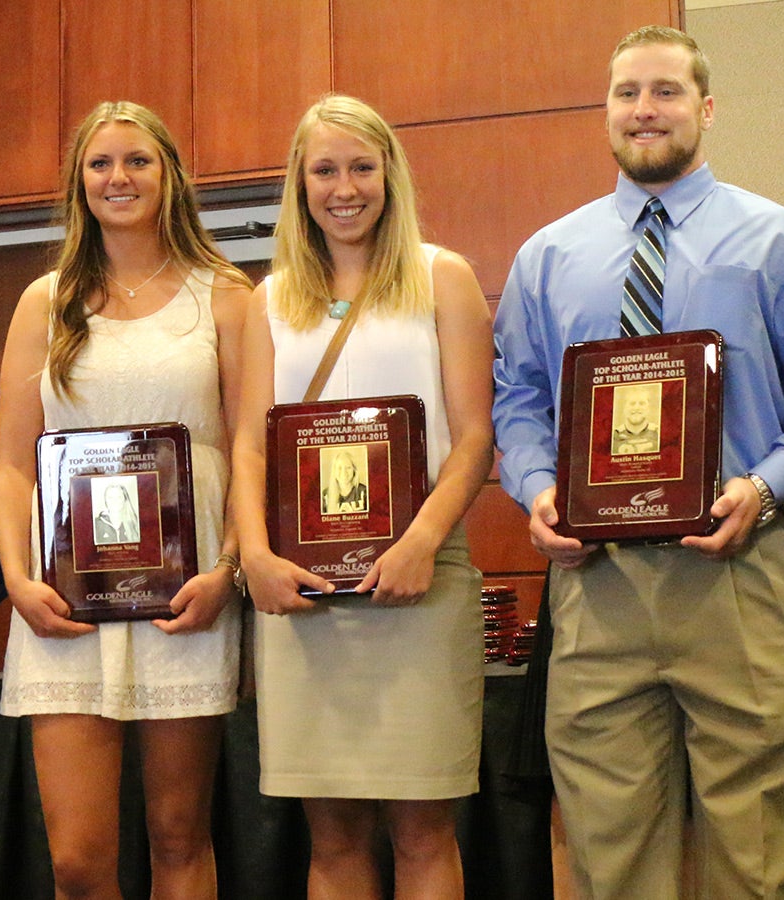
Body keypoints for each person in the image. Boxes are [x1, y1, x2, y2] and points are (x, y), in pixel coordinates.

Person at [492, 26, 784, 898]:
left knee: (757, 854)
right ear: (607, 111)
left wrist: (766, 485)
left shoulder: (783, 242)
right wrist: (538, 487)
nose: (645, 110)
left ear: (705, 108)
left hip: (739, 573)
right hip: (598, 587)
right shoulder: (547, 257)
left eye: (666, 91)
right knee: (609, 856)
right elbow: (516, 401)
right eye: (627, 93)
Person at [232, 94, 495, 899]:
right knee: (334, 835)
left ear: (389, 174)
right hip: (301, 598)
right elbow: (247, 442)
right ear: (300, 185)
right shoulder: (269, 298)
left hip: (420, 581)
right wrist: (253, 558)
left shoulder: (441, 277)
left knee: (423, 831)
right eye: (324, 170)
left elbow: (476, 435)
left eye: (360, 167)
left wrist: (419, 542)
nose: (344, 188)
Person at [0, 100, 251, 899]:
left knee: (179, 839)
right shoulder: (47, 300)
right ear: (80, 183)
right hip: (65, 603)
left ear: (170, 174)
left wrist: (231, 571)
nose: (119, 177)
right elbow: (9, 468)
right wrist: (15, 581)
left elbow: (250, 452)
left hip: (189, 594)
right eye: (101, 163)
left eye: (137, 160)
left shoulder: (228, 295)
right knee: (76, 860)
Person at [609, 385, 660, 455]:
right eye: (632, 403)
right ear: (624, 408)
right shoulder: (613, 437)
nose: (636, 408)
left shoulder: (659, 434)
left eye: (642, 403)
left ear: (648, 408)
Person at [321, 449, 368, 513]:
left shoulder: (364, 492)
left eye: (348, 467)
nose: (344, 472)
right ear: (334, 471)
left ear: (354, 470)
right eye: (339, 468)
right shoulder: (325, 495)